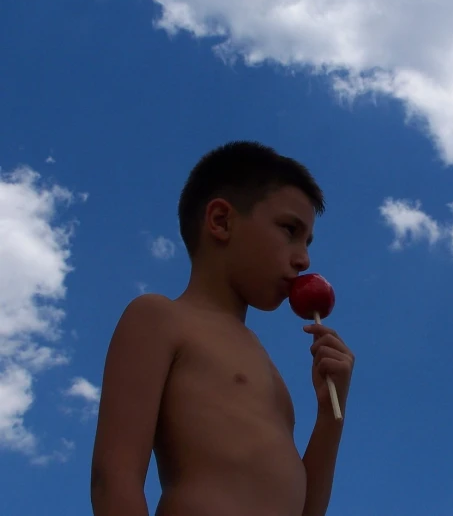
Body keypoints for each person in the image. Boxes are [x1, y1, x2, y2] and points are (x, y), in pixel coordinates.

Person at [90, 140, 355, 516]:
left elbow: (305, 509)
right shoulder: (160, 317)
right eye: (289, 230)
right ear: (221, 221)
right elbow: (114, 478)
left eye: (307, 241)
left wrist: (331, 414)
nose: (304, 259)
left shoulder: (266, 367)